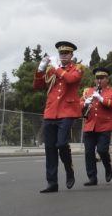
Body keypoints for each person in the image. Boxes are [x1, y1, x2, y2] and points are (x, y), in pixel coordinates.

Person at [34, 41, 83, 193]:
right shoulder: (52, 70)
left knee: (61, 144)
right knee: (50, 149)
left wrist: (55, 68)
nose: (63, 56)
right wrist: (41, 69)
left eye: (66, 53)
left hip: (67, 111)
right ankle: (52, 183)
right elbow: (38, 86)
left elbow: (70, 79)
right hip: (51, 112)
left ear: (72, 55)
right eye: (61, 53)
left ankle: (69, 169)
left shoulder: (77, 68)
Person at [80, 67, 112, 186]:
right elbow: (78, 104)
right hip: (90, 125)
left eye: (102, 78)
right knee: (89, 152)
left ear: (107, 79)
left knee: (102, 150)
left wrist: (101, 98)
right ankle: (92, 178)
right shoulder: (88, 91)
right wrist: (85, 103)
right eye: (97, 78)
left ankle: (108, 167)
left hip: (104, 126)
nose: (99, 80)